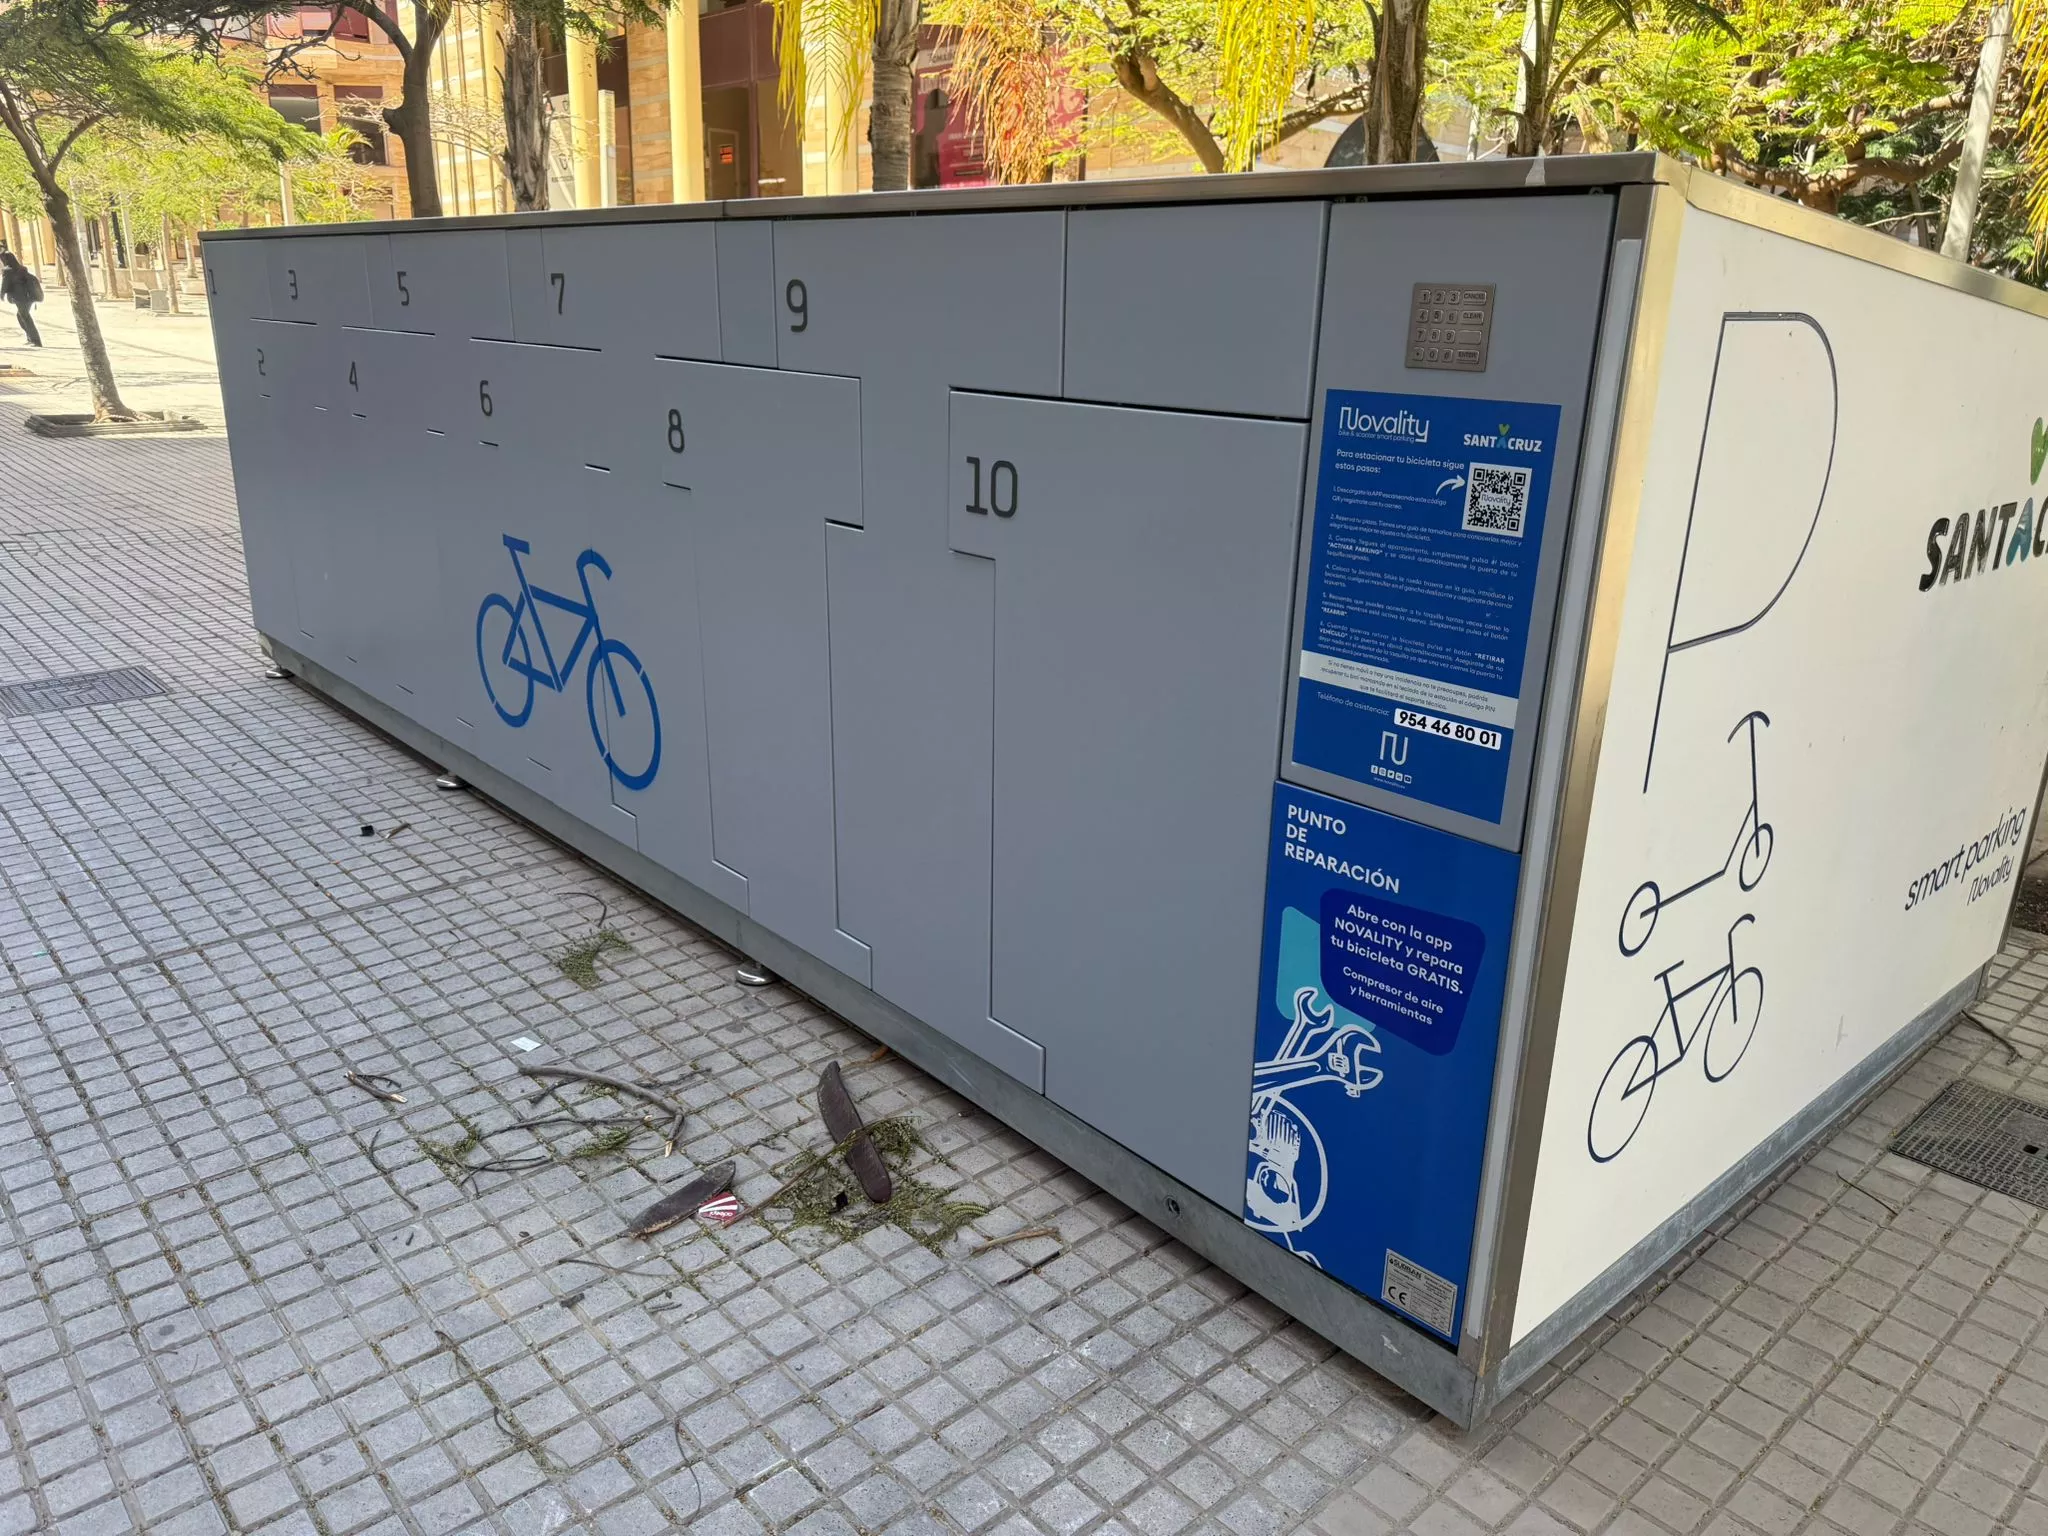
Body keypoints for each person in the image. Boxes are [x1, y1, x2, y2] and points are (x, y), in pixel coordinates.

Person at [1, 250, 42, 348]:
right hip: (29, 297)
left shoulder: (8, 271)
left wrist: (1, 295)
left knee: (25, 317)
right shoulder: (22, 268)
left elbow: (5, 285)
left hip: (20, 298)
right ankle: (31, 338)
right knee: (21, 316)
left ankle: (36, 341)